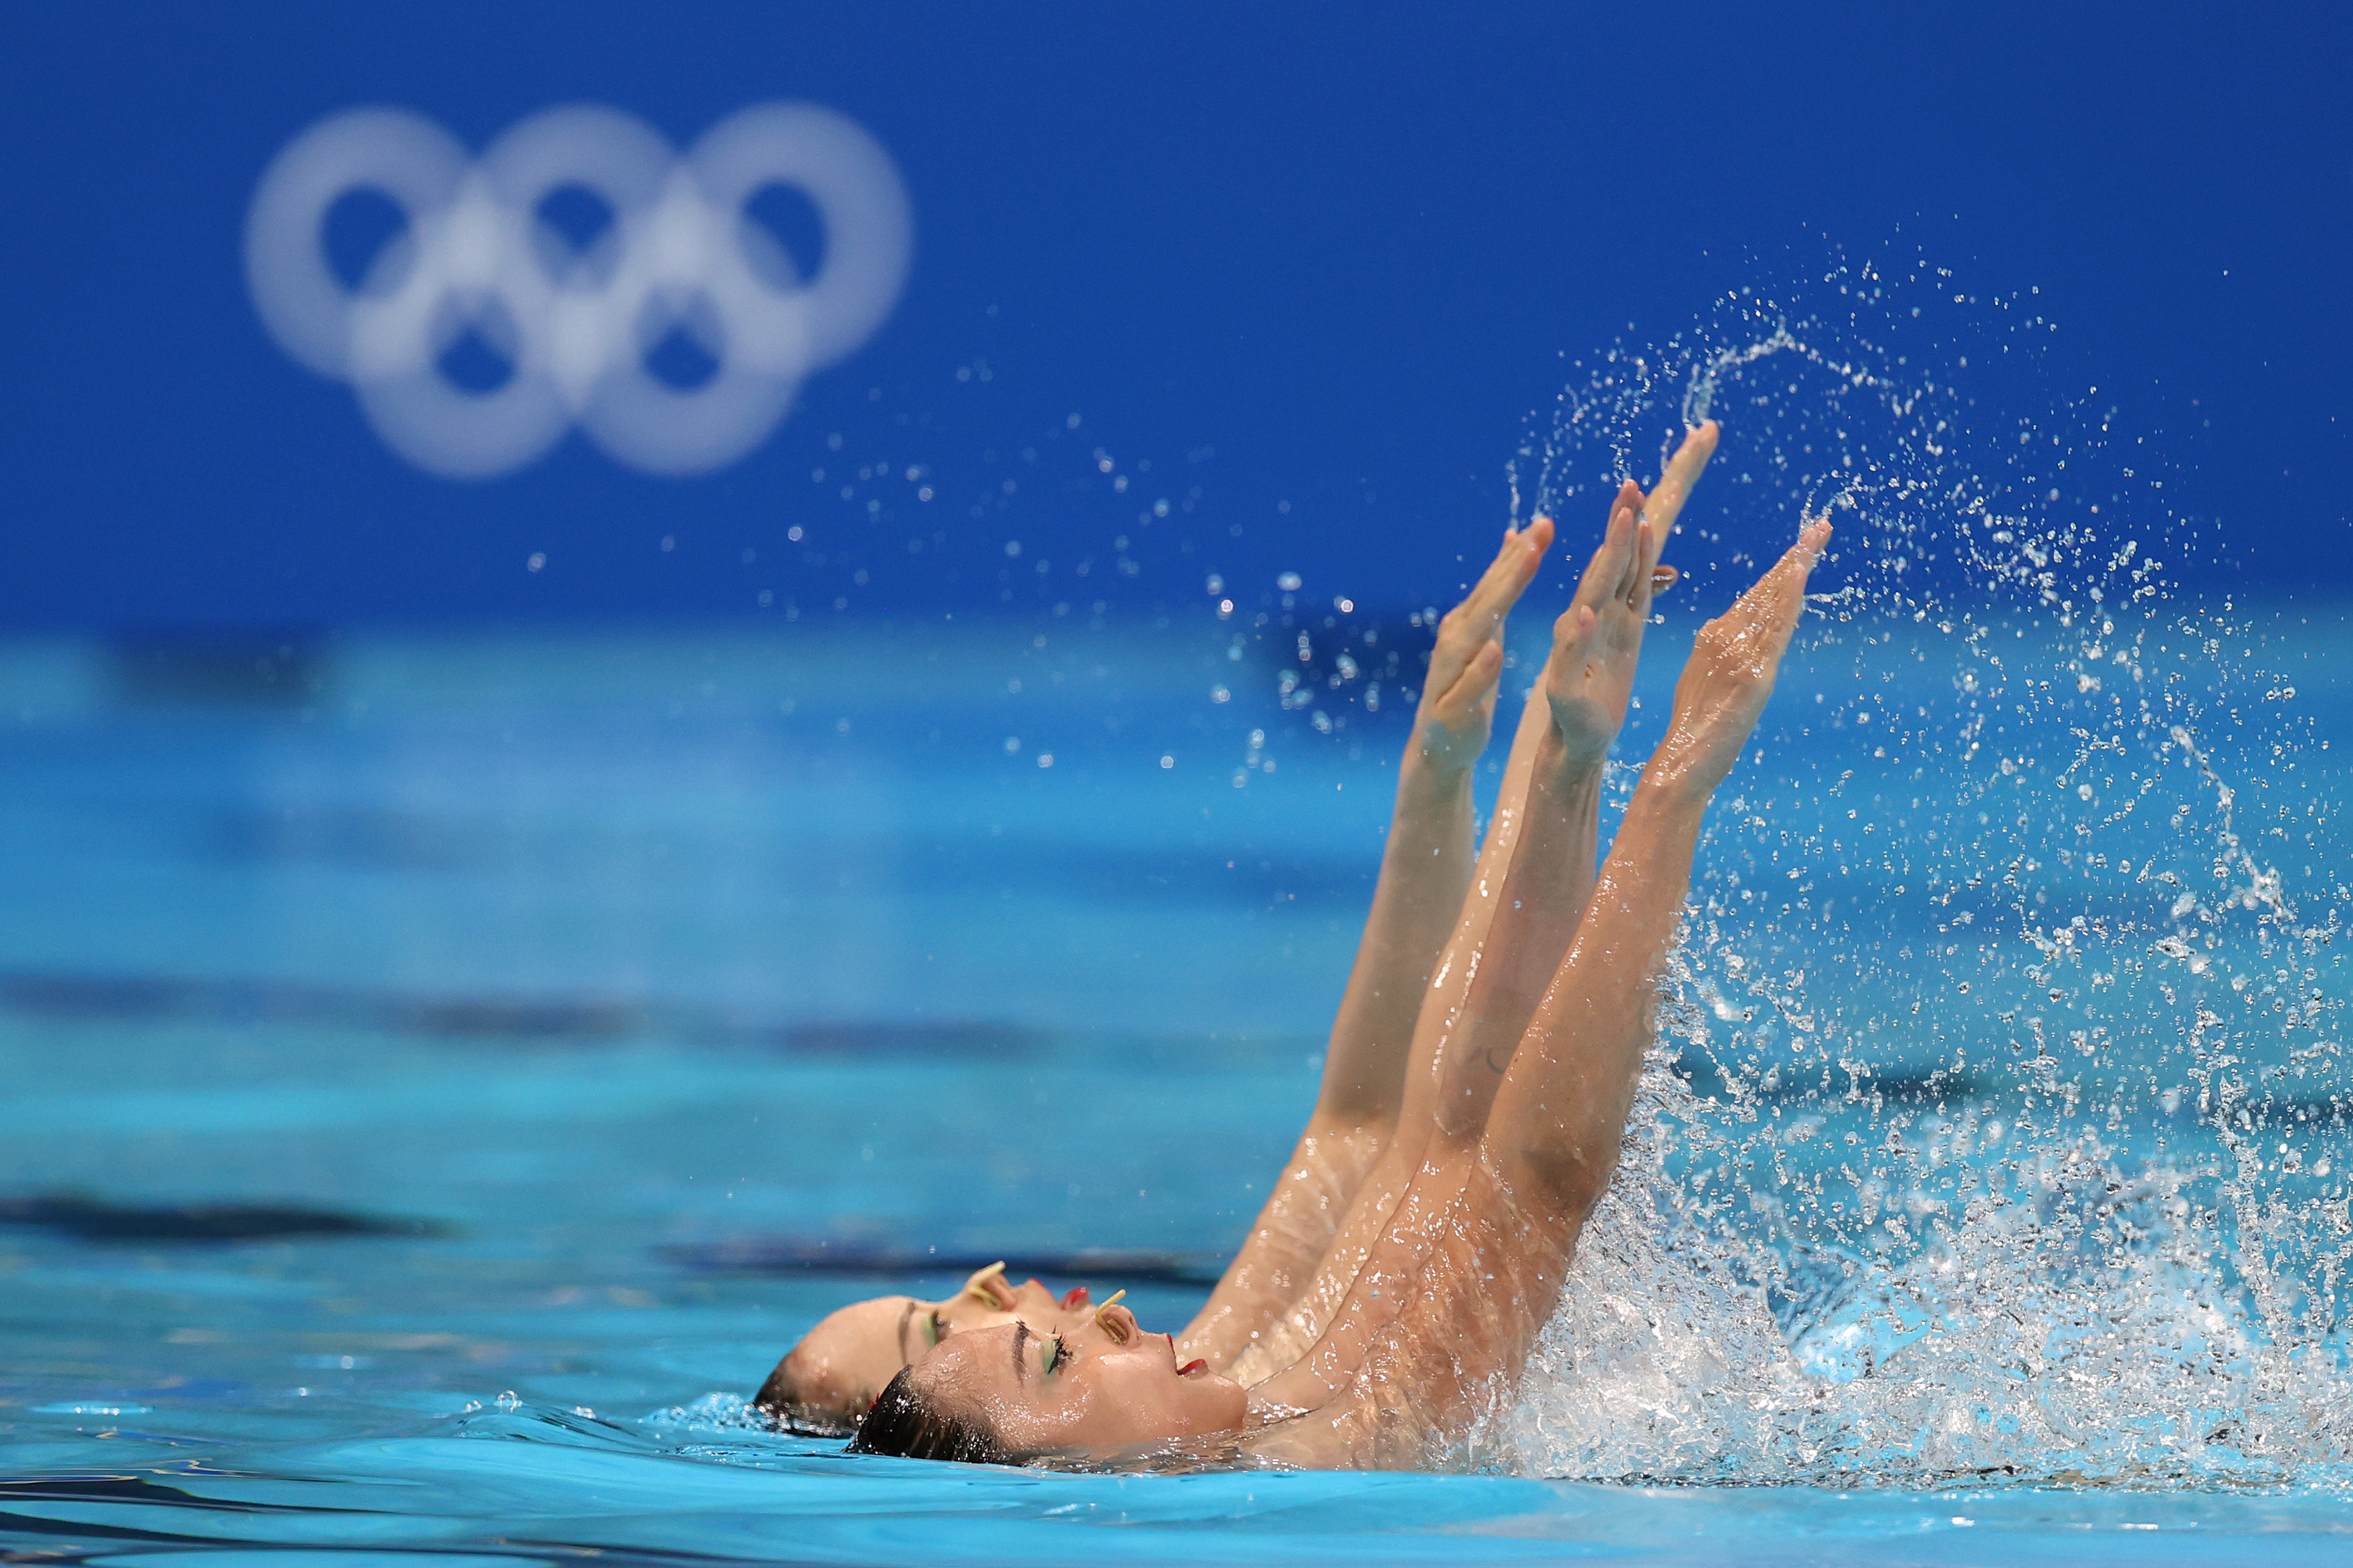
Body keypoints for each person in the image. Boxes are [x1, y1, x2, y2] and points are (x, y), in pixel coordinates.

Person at [839, 433, 1835, 1469]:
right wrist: (1670, 779)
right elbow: (1531, 1177)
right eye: (1015, 1353)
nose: (1087, 1308)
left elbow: (1437, 1139)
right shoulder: (1291, 1472)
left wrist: (1559, 746)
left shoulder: (1266, 1422)